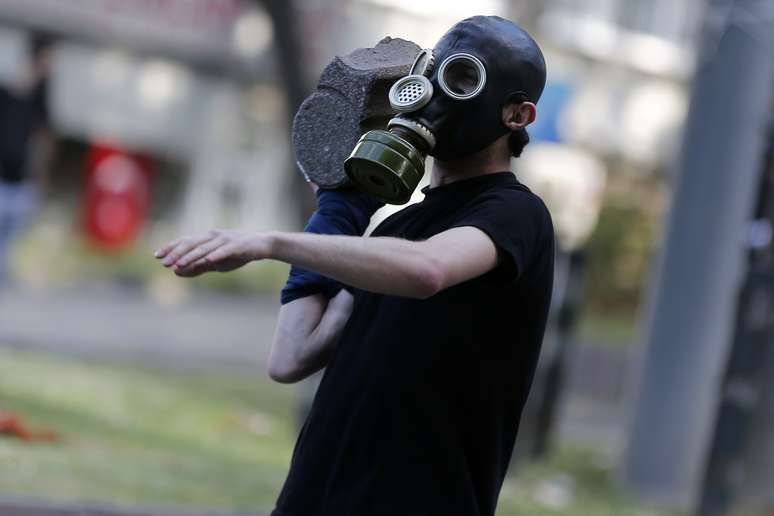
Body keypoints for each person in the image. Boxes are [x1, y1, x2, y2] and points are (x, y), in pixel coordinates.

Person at [156, 16, 554, 516]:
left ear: (517, 115)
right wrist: (339, 211)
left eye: (461, 80)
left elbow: (427, 270)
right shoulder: (396, 233)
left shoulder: (516, 214)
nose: (433, 94)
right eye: (430, 73)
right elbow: (292, 355)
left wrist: (271, 243)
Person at [0, 33, 55, 286]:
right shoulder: (8, 93)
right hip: (3, 176)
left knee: (8, 238)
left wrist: (39, 179)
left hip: (21, 182)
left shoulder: (42, 98)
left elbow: (44, 141)